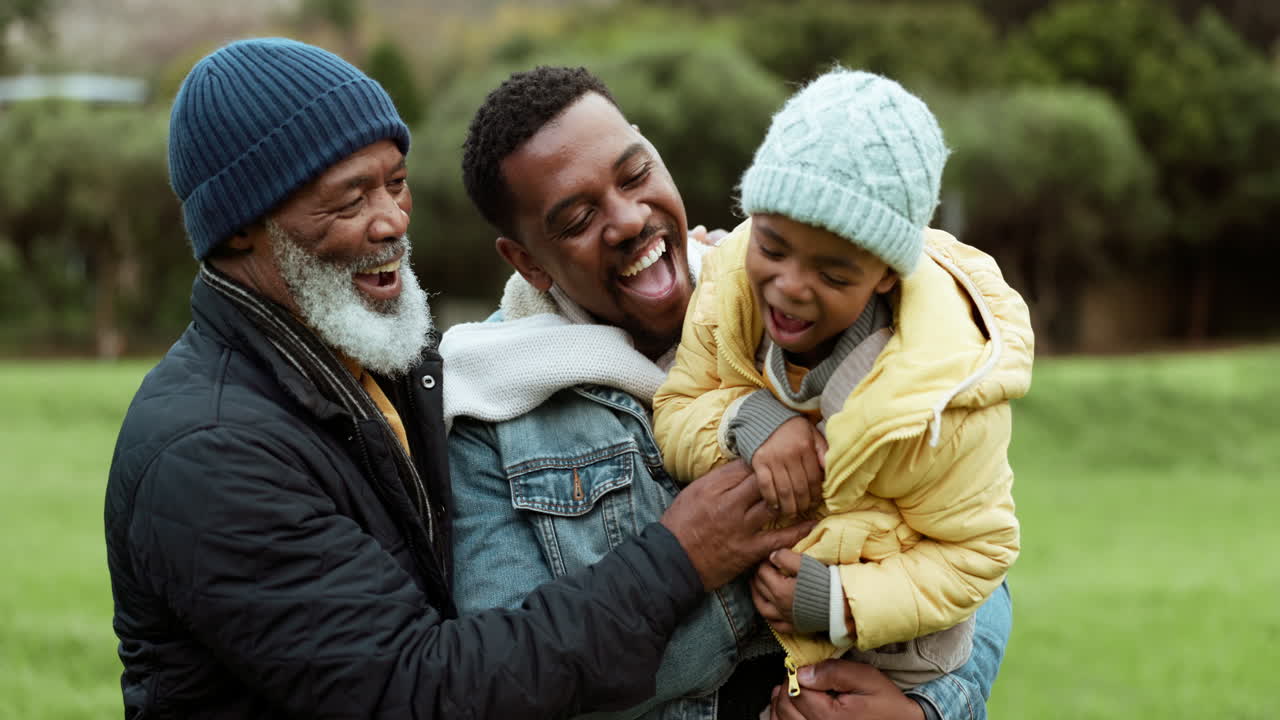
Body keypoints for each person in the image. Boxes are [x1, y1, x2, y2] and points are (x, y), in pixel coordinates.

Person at [103, 38, 809, 720]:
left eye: (397, 184)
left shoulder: (396, 363)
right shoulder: (210, 450)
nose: (391, 223)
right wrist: (679, 558)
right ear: (239, 230)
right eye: (350, 200)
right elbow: (418, 691)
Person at [444, 65, 1016, 720]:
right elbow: (508, 683)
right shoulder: (488, 401)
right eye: (577, 217)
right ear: (527, 262)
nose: (629, 219)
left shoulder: (790, 302)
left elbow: (969, 547)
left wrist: (928, 709)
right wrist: (693, 564)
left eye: (635, 175)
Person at [652, 68, 1033, 695]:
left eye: (832, 275)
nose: (791, 286)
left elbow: (978, 554)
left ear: (886, 275)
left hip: (897, 657)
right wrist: (749, 419)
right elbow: (679, 407)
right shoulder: (725, 290)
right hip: (758, 653)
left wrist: (842, 603)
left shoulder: (942, 396)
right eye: (772, 248)